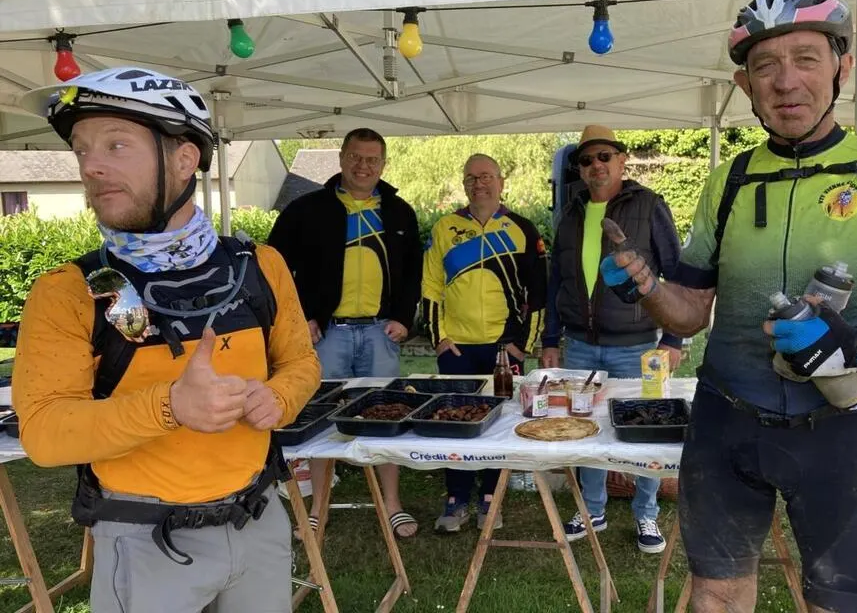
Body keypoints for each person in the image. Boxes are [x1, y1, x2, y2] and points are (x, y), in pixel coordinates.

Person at [605, 0, 857, 613]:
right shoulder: (730, 180)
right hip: (726, 418)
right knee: (715, 595)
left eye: (806, 58)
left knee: (840, 604)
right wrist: (648, 286)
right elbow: (689, 315)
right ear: (744, 85)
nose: (786, 80)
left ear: (842, 68)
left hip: (841, 428)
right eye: (766, 65)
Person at [13, 67, 321, 611]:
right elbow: (44, 433)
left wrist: (277, 397)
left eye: (116, 144)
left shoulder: (260, 266)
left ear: (184, 160)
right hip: (144, 541)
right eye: (82, 150)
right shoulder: (67, 291)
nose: (91, 166)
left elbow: (301, 363)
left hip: (258, 522)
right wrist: (171, 407)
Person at [267, 127, 422, 538]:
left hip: (380, 333)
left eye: (372, 159)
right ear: (341, 158)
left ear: (383, 164)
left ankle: (393, 505)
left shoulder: (399, 212)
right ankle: (318, 508)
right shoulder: (306, 210)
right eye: (355, 157)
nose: (363, 166)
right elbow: (273, 269)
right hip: (326, 334)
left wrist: (404, 318)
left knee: (388, 418)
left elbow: (413, 274)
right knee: (321, 421)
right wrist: (302, 319)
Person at [541, 125, 684, 555]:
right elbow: (556, 281)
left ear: (622, 160)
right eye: (586, 160)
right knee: (584, 430)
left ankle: (646, 513)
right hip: (579, 344)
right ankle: (592, 509)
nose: (596, 165)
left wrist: (673, 338)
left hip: (638, 345)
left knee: (646, 431)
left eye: (604, 156)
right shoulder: (570, 213)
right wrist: (550, 338)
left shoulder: (648, 205)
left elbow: (677, 274)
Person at [422, 153, 547, 532]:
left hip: (503, 348)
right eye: (471, 178)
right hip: (456, 348)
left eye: (486, 176)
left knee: (499, 422)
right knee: (454, 421)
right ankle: (457, 497)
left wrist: (522, 345)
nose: (479, 184)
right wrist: (439, 339)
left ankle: (492, 495)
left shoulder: (522, 228)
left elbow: (539, 292)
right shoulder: (445, 227)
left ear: (500, 182)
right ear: (464, 184)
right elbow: (430, 286)